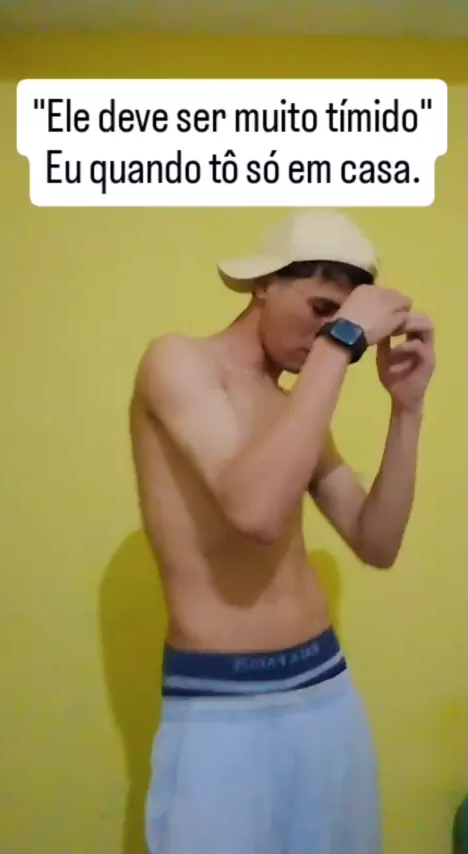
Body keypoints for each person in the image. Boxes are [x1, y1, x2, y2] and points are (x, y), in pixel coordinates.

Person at [129, 210, 436, 854]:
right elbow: (256, 514)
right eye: (320, 308)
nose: (328, 332)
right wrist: (341, 341)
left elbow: (376, 542)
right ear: (264, 284)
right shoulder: (179, 361)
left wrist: (406, 410)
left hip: (326, 692)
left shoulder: (293, 405)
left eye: (342, 320)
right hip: (222, 708)